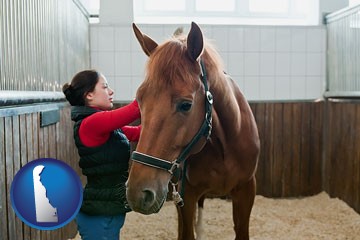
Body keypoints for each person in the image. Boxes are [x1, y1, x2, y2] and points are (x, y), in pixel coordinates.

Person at [62, 70, 141, 240]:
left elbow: (137, 133)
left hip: (107, 208)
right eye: (105, 87)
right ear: (89, 95)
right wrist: (153, 87)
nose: (111, 91)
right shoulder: (92, 123)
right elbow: (134, 111)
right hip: (99, 215)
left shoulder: (103, 124)